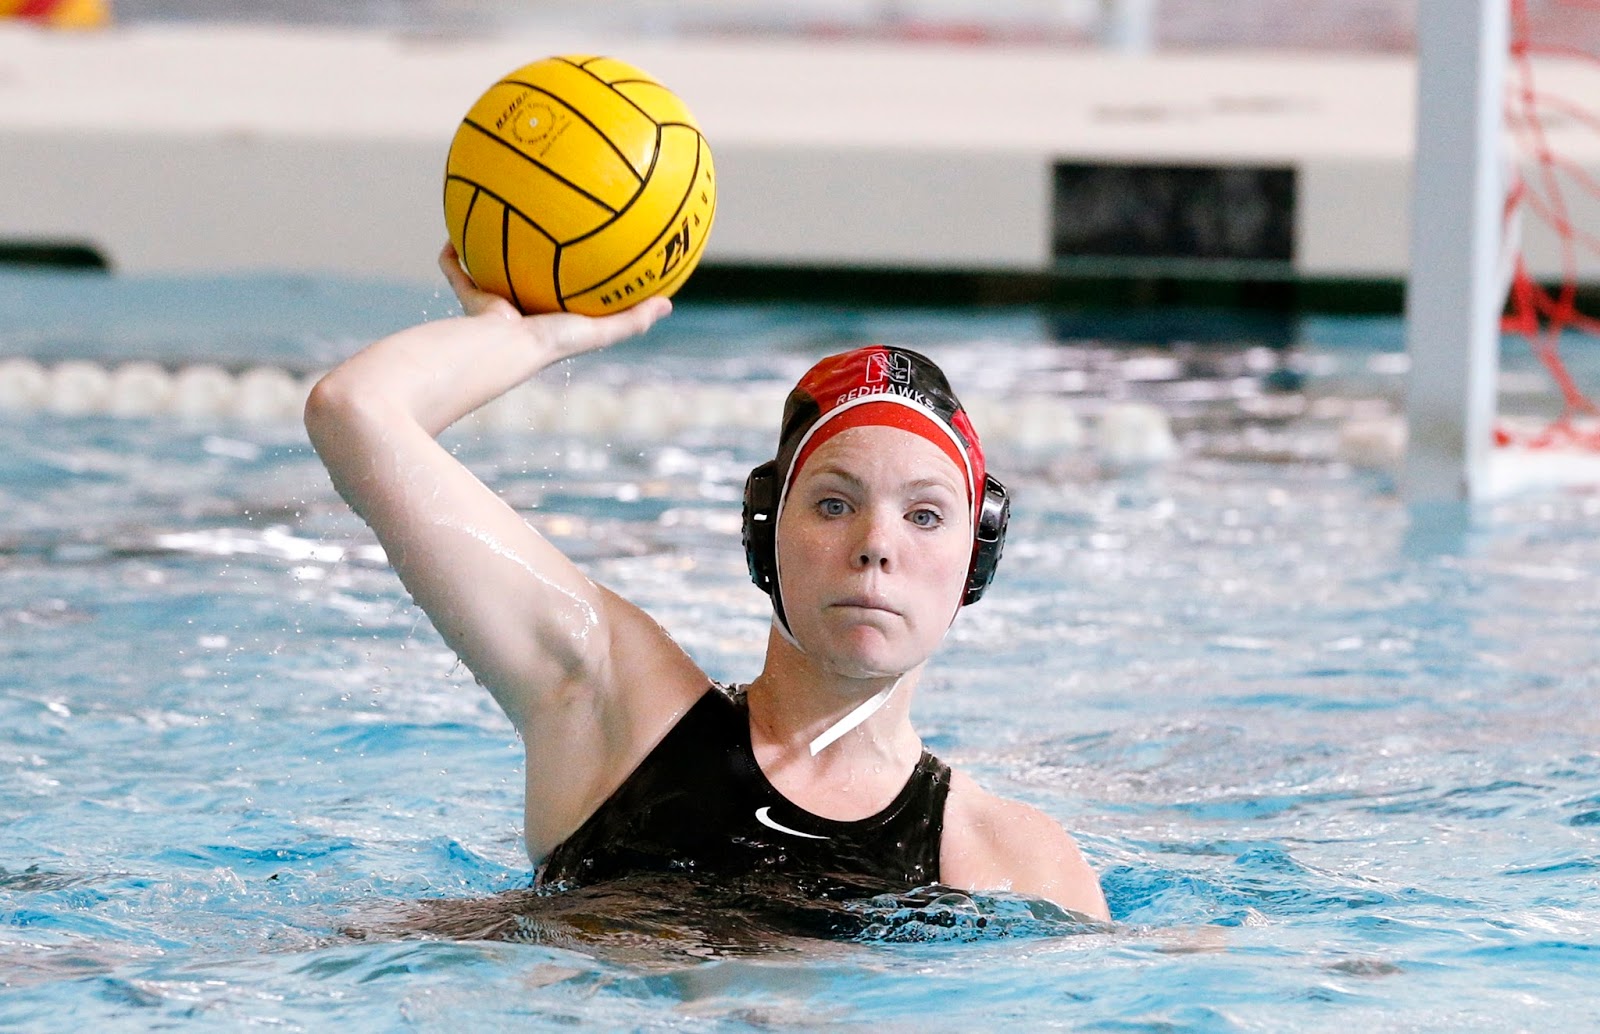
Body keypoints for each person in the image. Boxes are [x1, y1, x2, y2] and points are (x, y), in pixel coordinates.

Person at [305, 244, 1108, 922]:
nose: (876, 546)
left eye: (926, 516)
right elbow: (356, 410)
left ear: (979, 556)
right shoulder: (611, 709)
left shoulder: (1014, 863)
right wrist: (520, 338)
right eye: (834, 503)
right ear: (765, 530)